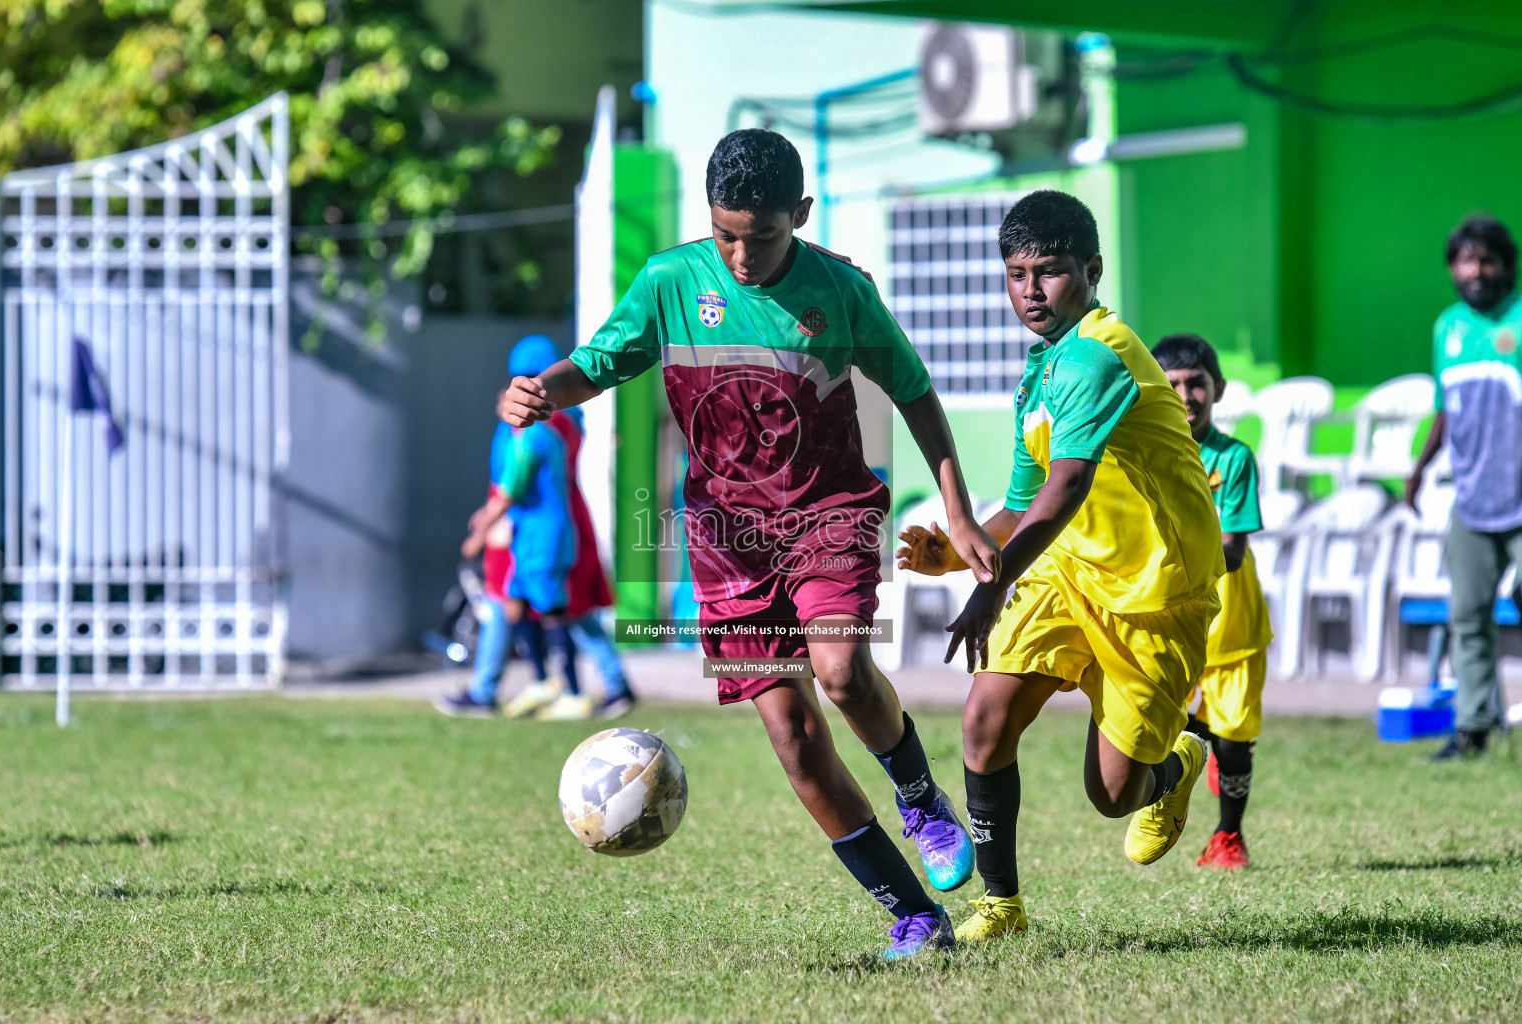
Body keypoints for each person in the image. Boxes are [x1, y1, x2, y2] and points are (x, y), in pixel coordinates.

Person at [499, 129, 1003, 959]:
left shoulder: (839, 290)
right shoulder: (670, 279)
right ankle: (914, 915)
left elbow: (913, 391)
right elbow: (601, 360)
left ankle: (919, 797)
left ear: (799, 216)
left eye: (760, 236)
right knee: (794, 740)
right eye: (725, 232)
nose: (739, 253)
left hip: (829, 513)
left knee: (840, 671)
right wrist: (544, 392)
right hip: (727, 540)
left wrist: (957, 510)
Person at [896, 190, 1222, 942]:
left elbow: (1068, 487)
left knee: (1112, 795)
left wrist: (994, 580)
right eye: (1016, 274)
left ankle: (1174, 766)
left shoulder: (1097, 354)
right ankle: (1001, 906)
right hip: (1065, 572)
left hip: (1156, 594)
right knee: (984, 719)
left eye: (1050, 272)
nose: (1031, 291)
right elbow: (1023, 501)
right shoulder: (1040, 371)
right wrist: (959, 553)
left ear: (1093, 270)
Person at [437, 337, 637, 721]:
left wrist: (482, 528)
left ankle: (575, 689)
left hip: (540, 535)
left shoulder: (535, 429)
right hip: (544, 530)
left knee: (559, 610)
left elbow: (512, 486)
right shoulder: (566, 423)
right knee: (516, 604)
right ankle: (528, 683)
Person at [1152, 333, 1273, 869]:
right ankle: (1182, 780)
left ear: (1216, 389)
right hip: (1174, 622)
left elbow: (1232, 553)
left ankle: (1228, 836)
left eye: (1196, 383)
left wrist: (1168, 553)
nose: (1185, 394)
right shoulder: (1147, 458)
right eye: (1172, 384)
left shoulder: (1235, 459)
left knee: (1233, 738)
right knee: (1172, 730)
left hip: (1233, 628)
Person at [1407, 215, 1522, 760]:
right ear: (1454, 269)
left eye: (1487, 259)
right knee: (1467, 616)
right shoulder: (1446, 327)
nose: (1477, 270)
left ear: (1506, 265)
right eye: (1466, 260)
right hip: (1473, 499)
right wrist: (1420, 467)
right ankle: (1475, 728)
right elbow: (1443, 410)